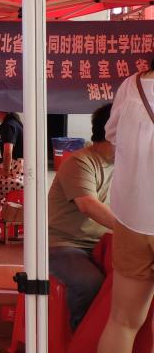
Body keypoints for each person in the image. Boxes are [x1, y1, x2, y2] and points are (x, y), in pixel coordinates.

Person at [82, 62, 154, 353]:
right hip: (133, 219)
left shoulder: (132, 86)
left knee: (123, 321)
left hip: (132, 220)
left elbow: (111, 136)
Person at [48, 103, 116, 330]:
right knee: (90, 283)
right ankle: (79, 336)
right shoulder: (81, 161)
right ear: (115, 131)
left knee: (136, 279)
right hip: (64, 245)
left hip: (104, 243)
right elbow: (88, 205)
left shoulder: (125, 164)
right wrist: (129, 230)